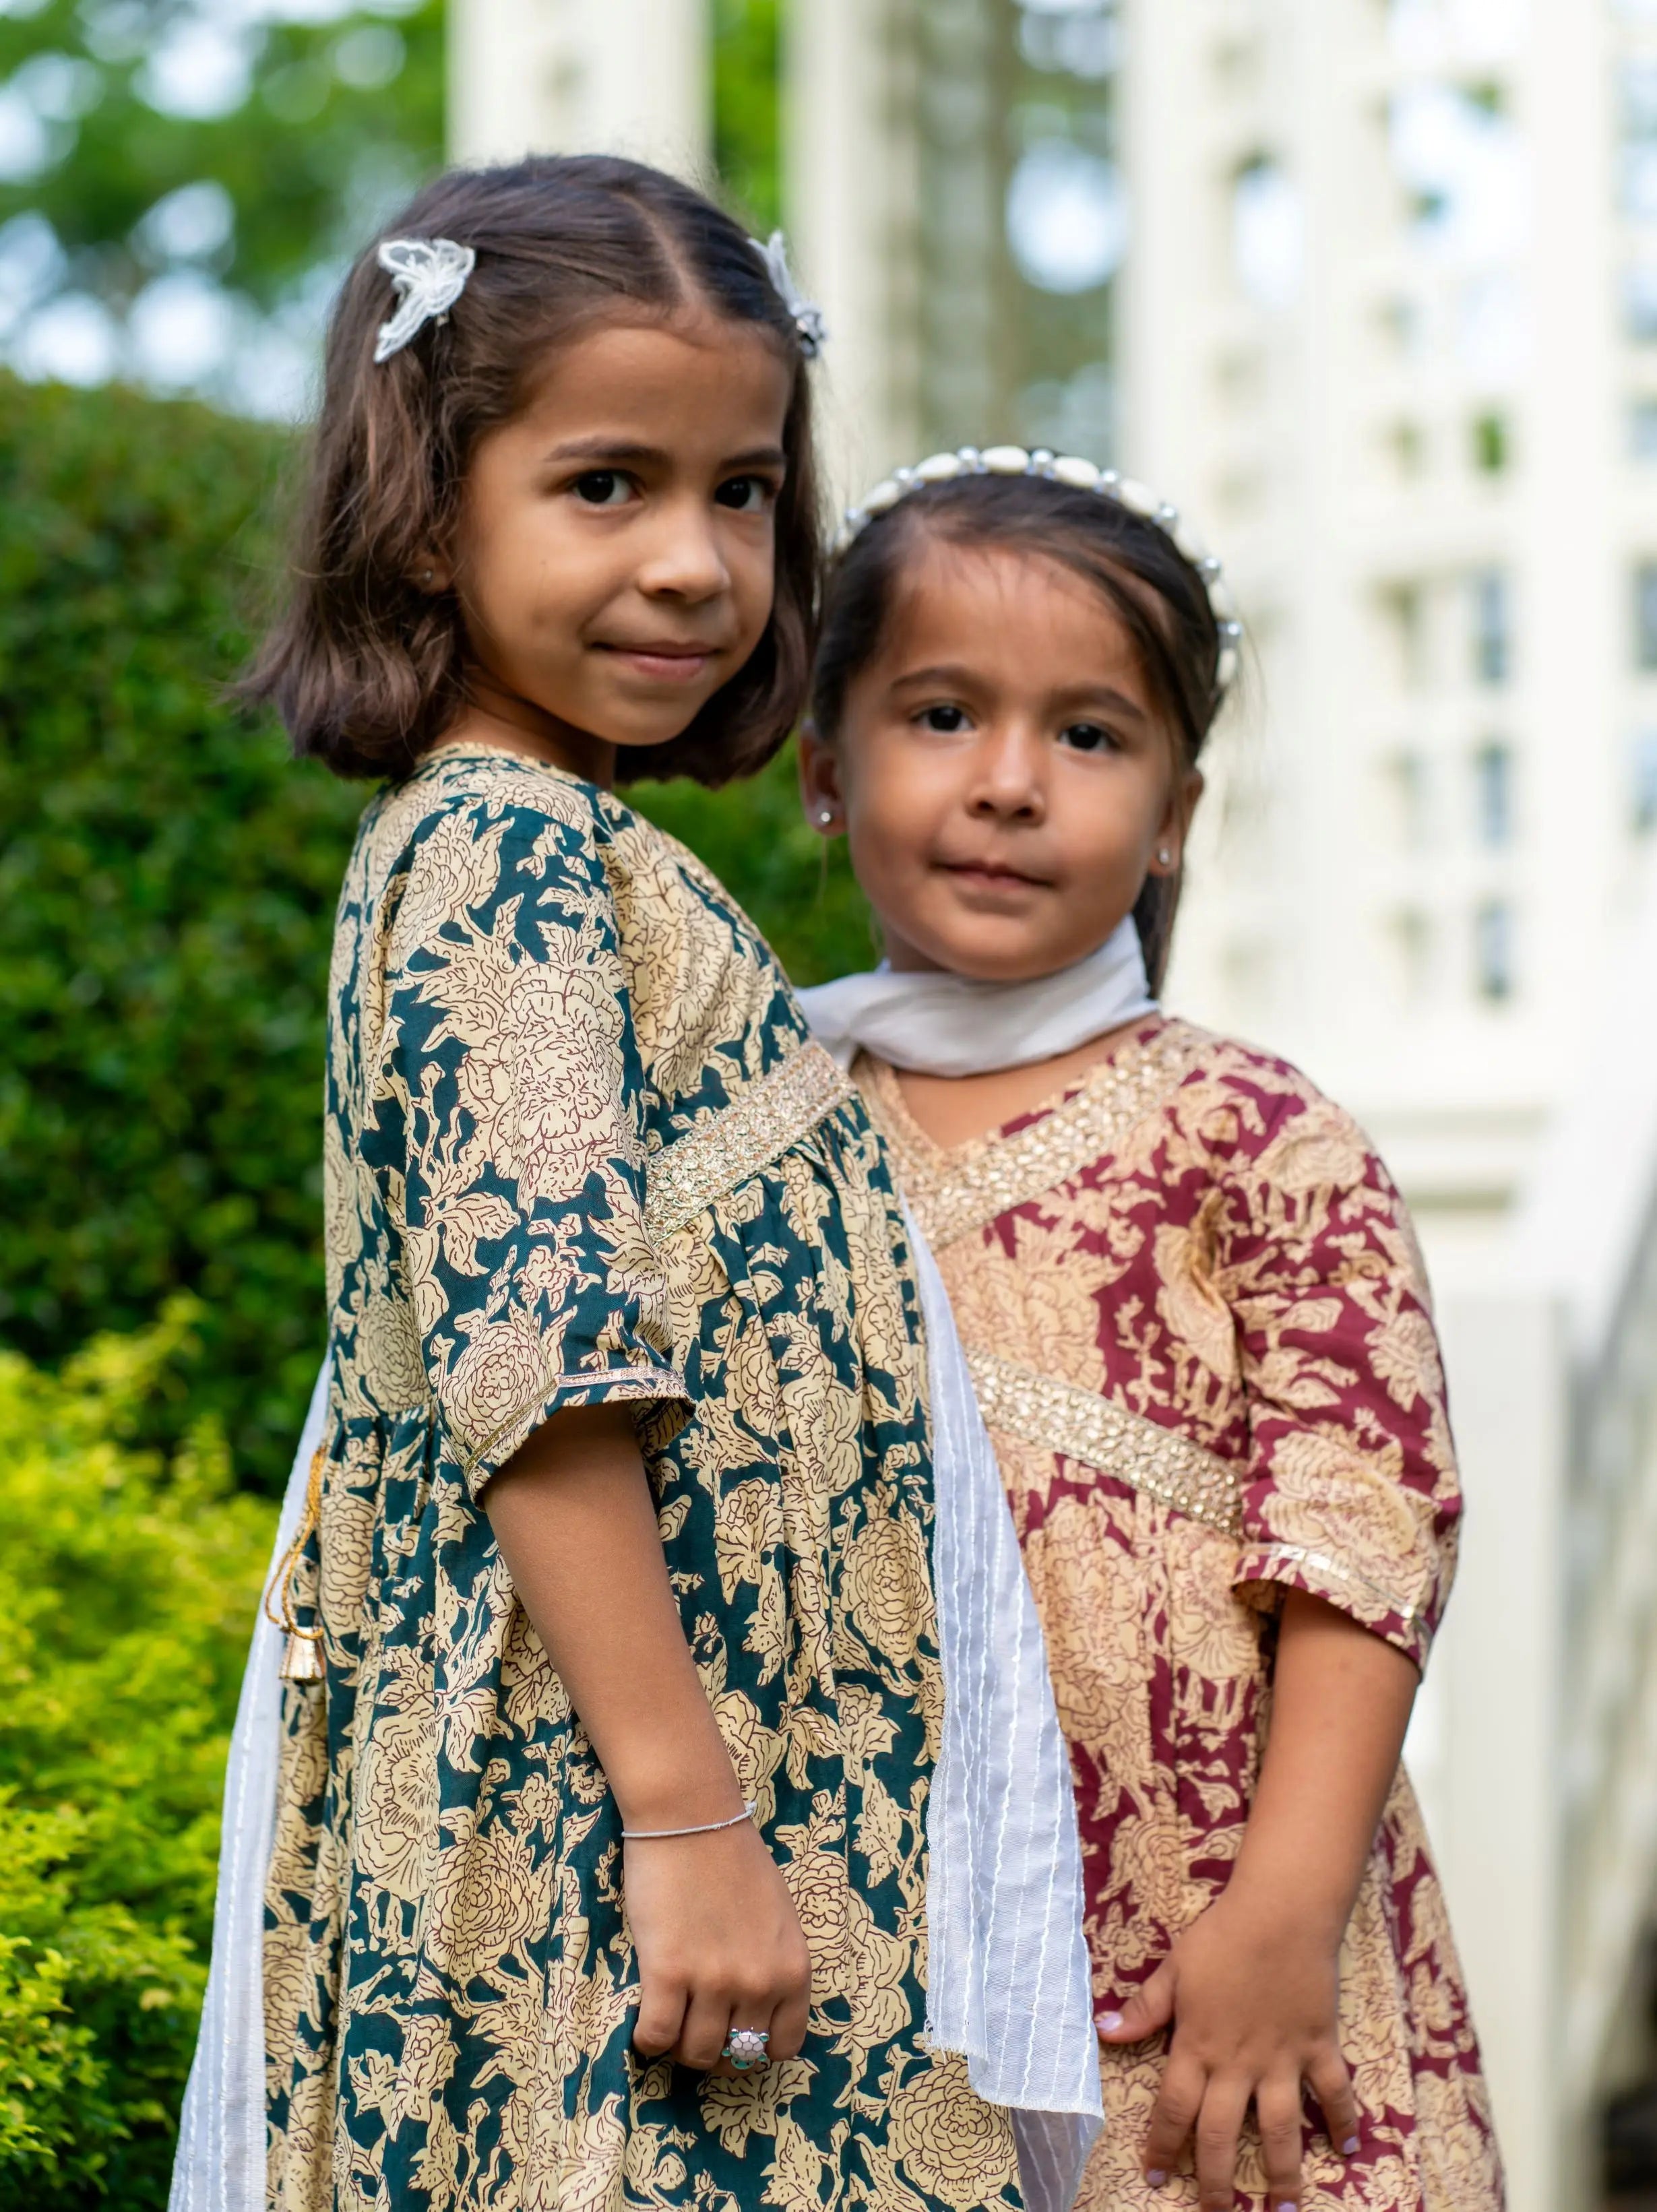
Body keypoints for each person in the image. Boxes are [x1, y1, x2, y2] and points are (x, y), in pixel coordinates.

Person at [176, 166, 1101, 2212]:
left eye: (744, 492)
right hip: (609, 1835)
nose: (694, 562)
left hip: (702, 1794)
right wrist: (687, 1820)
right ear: (427, 503)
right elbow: (548, 1363)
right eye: (607, 484)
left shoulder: (572, 852)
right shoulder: (498, 854)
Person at [796, 449, 1505, 2212]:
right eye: (942, 713)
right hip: (866, 1948)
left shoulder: (1255, 1133)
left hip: (1218, 1958)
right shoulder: (760, 1131)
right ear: (823, 768)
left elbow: (1363, 1529)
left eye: (1090, 736)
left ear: (1178, 811)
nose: (1010, 784)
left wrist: (1281, 1914)